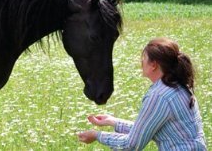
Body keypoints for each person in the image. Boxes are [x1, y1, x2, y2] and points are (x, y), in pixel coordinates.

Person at [78, 37, 207, 150]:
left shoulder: (159, 96)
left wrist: (97, 136)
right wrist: (113, 121)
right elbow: (146, 130)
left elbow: (132, 144)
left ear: (154, 65)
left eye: (143, 58)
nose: (141, 62)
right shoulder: (178, 86)